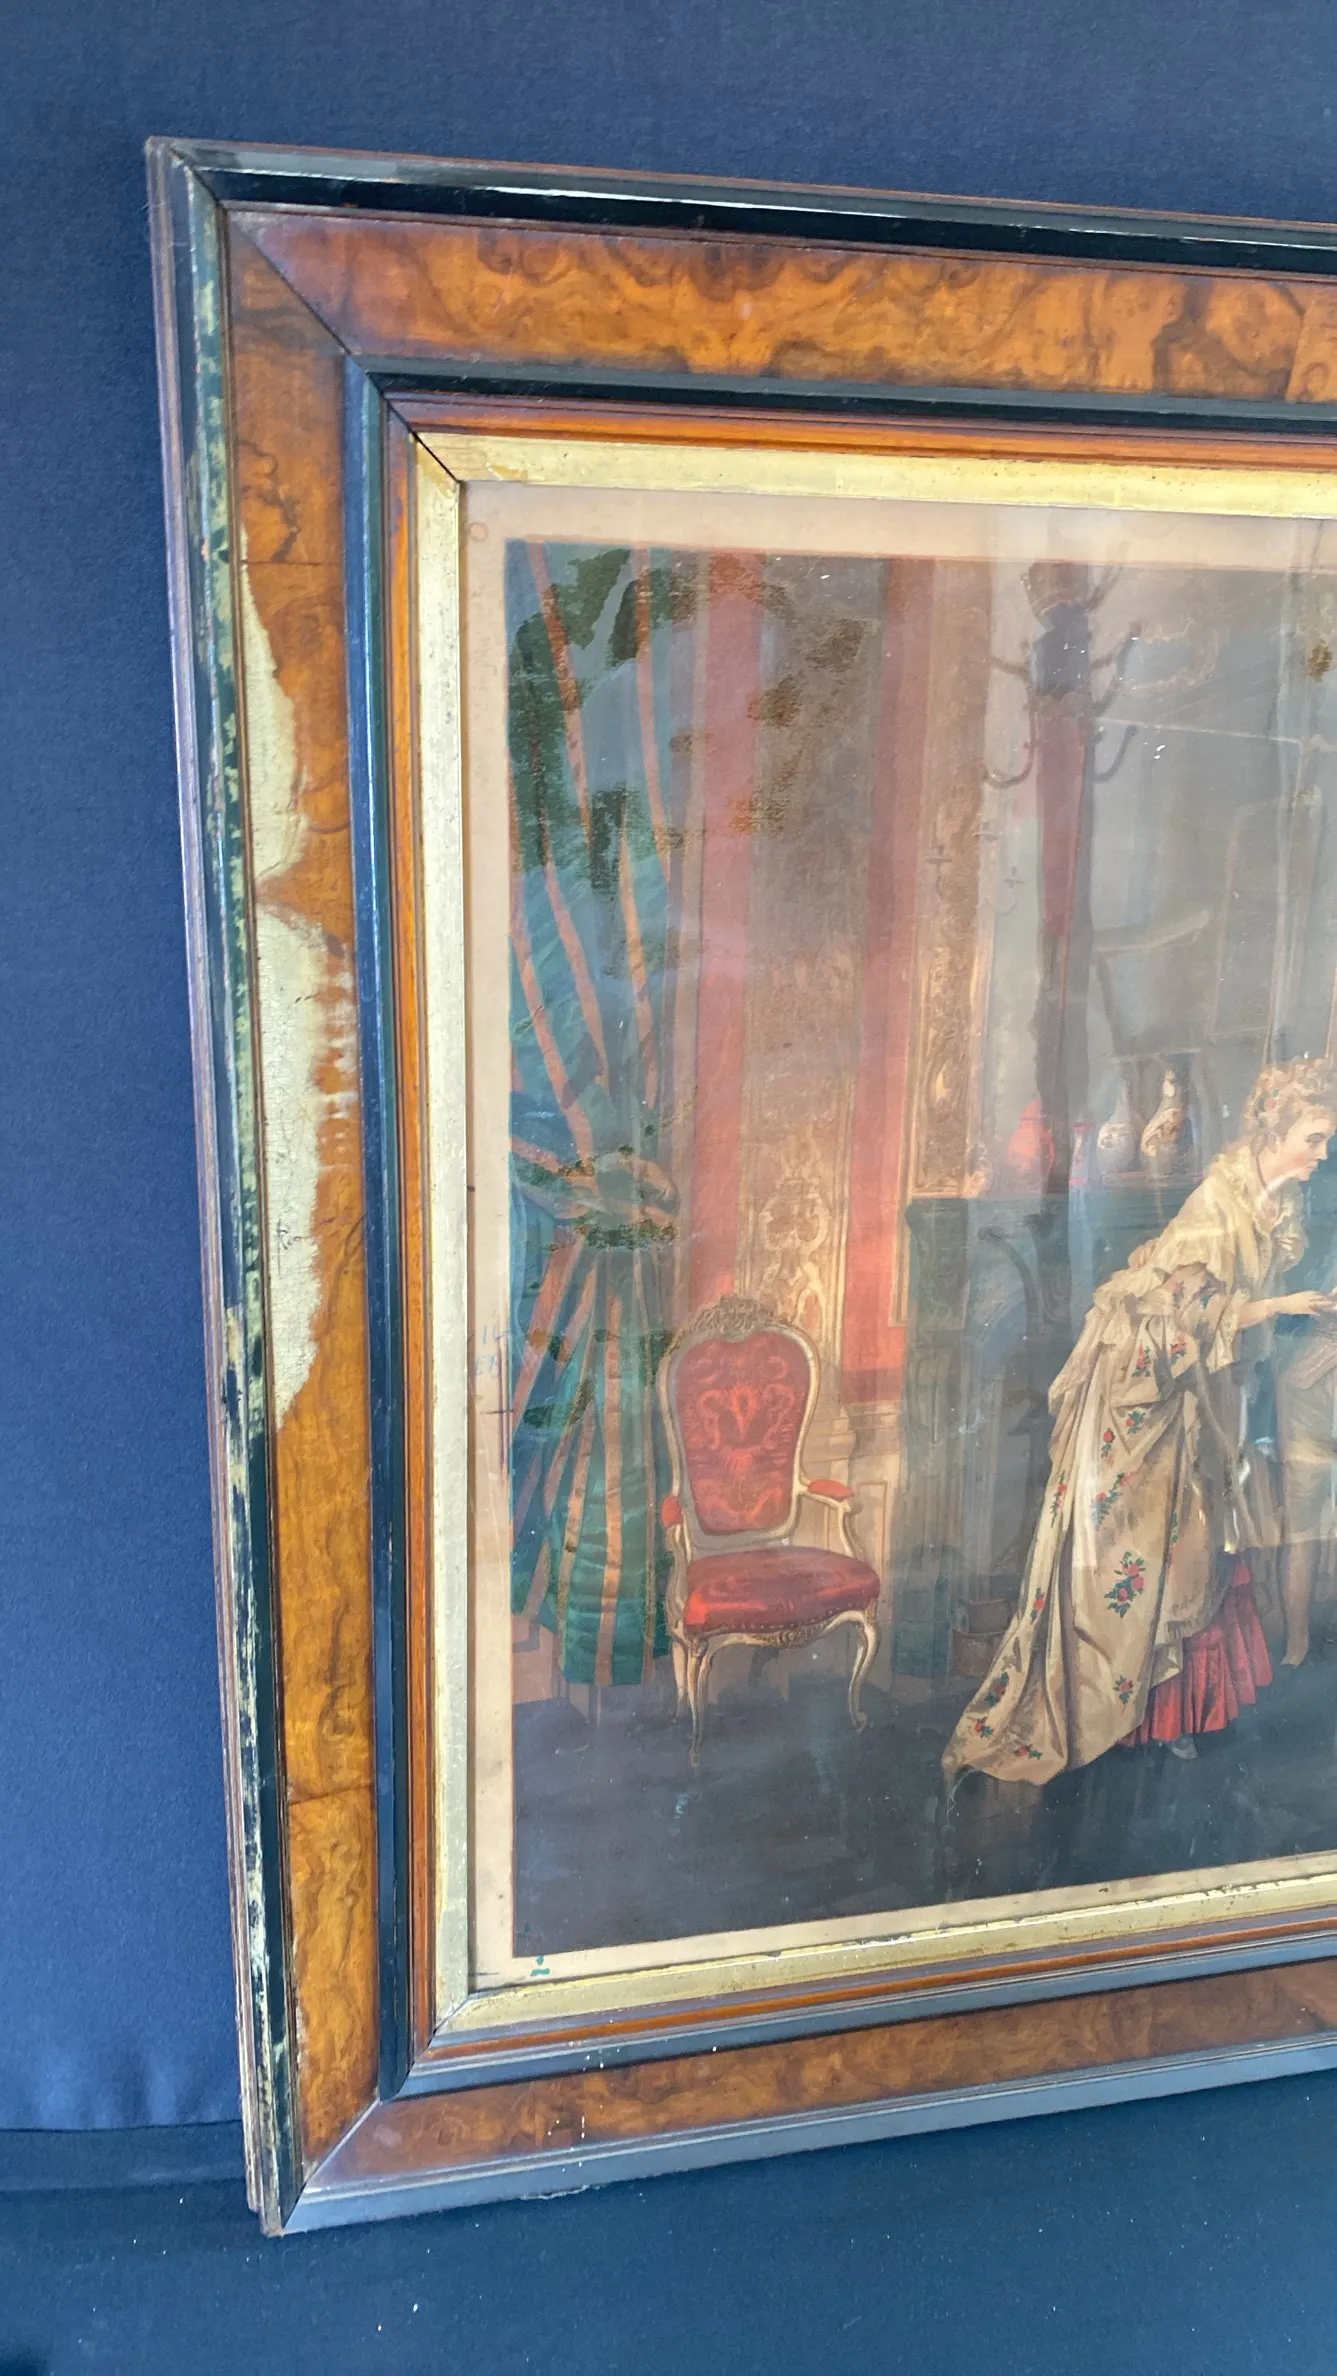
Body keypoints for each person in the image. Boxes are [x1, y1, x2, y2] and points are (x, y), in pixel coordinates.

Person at [944, 1058, 1337, 1785]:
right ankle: (1125, 1720)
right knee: (1145, 1547)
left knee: (1193, 1546)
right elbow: (1184, 1321)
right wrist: (1281, 1308)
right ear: (1274, 1131)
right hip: (1144, 1394)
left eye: (1325, 1141)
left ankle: (1174, 1718)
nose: (1321, 1154)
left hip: (1196, 1389)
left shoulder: (1269, 1202)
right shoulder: (1216, 1208)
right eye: (1312, 1139)